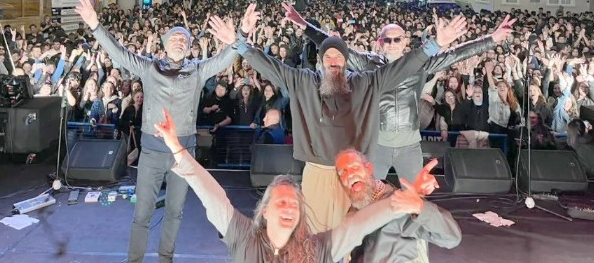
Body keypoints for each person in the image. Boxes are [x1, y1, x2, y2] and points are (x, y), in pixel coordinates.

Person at [213, 7, 468, 233]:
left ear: (346, 62)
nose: (333, 62)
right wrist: (239, 43)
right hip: (316, 172)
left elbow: (402, 67)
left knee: (352, 232)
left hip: (353, 174)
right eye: (328, 58)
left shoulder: (365, 83)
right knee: (314, 232)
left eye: (338, 58)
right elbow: (269, 65)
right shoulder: (303, 81)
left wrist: (435, 45)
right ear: (321, 61)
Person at [75, 0, 248, 263]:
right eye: (175, 37)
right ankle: (135, 260)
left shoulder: (198, 71)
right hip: (153, 154)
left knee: (175, 212)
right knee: (142, 213)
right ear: (165, 44)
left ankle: (165, 258)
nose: (180, 41)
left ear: (189, 48)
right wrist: (96, 25)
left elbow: (228, 56)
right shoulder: (148, 68)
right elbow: (119, 52)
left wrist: (243, 33)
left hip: (184, 154)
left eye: (185, 40)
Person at [153, 109, 427, 262]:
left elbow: (358, 225)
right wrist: (178, 149)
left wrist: (401, 201)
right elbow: (211, 194)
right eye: (281, 202)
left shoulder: (318, 248)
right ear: (265, 211)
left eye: (294, 204)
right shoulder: (242, 235)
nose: (288, 207)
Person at [284, 2, 514, 184]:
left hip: (409, 145)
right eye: (388, 39)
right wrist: (303, 24)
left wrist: (491, 39)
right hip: (376, 144)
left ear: (405, 41)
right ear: (380, 42)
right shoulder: (367, 63)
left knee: (415, 197)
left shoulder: (419, 63)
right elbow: (333, 45)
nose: (392, 43)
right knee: (368, 198)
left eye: (397, 39)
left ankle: (414, 242)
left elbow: (455, 55)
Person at [335, 149, 462, 262]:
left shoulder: (402, 203)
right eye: (343, 173)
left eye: (354, 167)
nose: (349, 175)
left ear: (369, 168)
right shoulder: (353, 212)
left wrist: (421, 207)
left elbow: (451, 238)